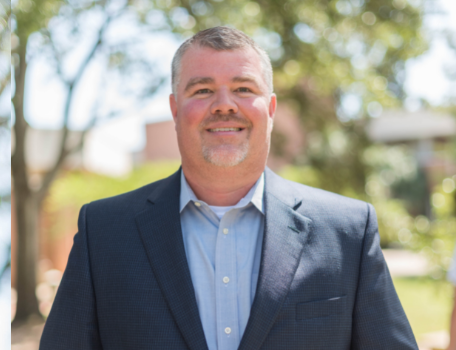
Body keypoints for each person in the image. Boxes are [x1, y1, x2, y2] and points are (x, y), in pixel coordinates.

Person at [40, 26, 417, 350]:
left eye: (242, 88)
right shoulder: (103, 231)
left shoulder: (347, 231)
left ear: (269, 110)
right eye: (202, 90)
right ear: (175, 110)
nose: (224, 106)